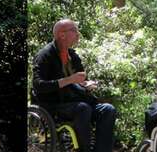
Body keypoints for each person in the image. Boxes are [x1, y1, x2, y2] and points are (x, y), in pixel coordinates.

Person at [32, 19, 116, 152]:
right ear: (62, 35)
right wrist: (69, 80)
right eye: (74, 31)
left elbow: (80, 80)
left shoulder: (72, 55)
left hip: (75, 100)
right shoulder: (45, 55)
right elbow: (38, 85)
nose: (78, 34)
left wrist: (86, 84)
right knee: (83, 108)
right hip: (54, 104)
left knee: (107, 109)